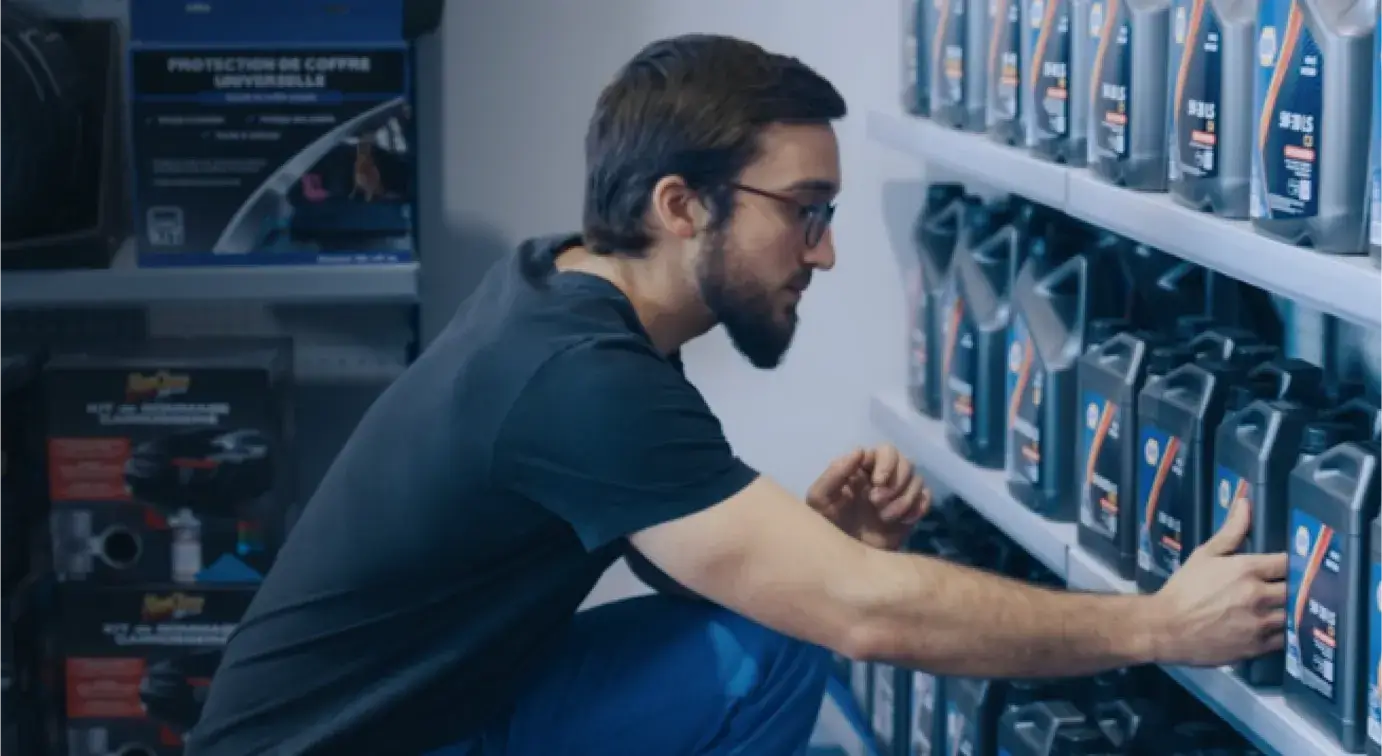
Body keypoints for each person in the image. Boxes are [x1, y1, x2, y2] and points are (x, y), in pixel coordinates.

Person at [185, 34, 1287, 756]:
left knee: (773, 622)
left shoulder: (563, 289)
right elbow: (858, 610)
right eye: (803, 210)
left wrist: (813, 545)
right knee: (790, 634)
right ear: (680, 204)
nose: (824, 253)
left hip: (435, 711)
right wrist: (1155, 624)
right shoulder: (575, 378)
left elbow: (722, 555)